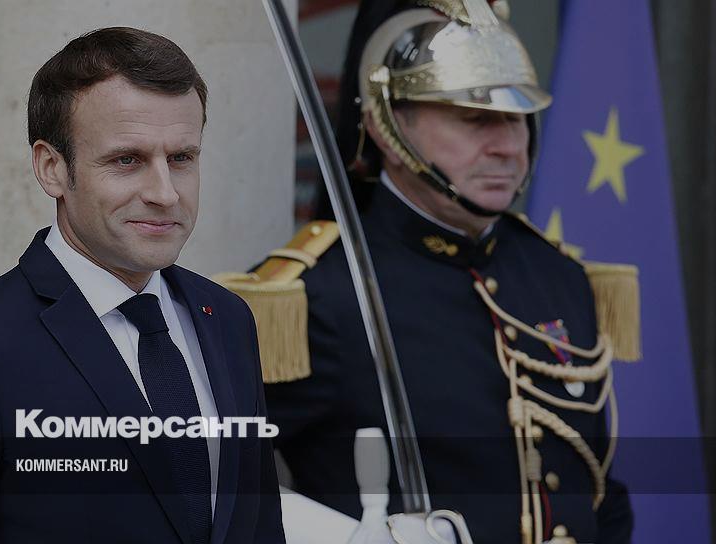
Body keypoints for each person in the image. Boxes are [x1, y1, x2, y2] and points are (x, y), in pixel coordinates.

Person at [0, 27, 285, 544]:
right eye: (127, 160)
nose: (165, 193)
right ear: (52, 169)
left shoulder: (227, 318)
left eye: (181, 158)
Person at [261, 1, 633, 542]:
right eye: (475, 118)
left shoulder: (558, 274)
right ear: (386, 128)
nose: (507, 146)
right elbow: (205, 475)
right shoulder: (316, 297)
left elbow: (598, 490)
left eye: (517, 117)